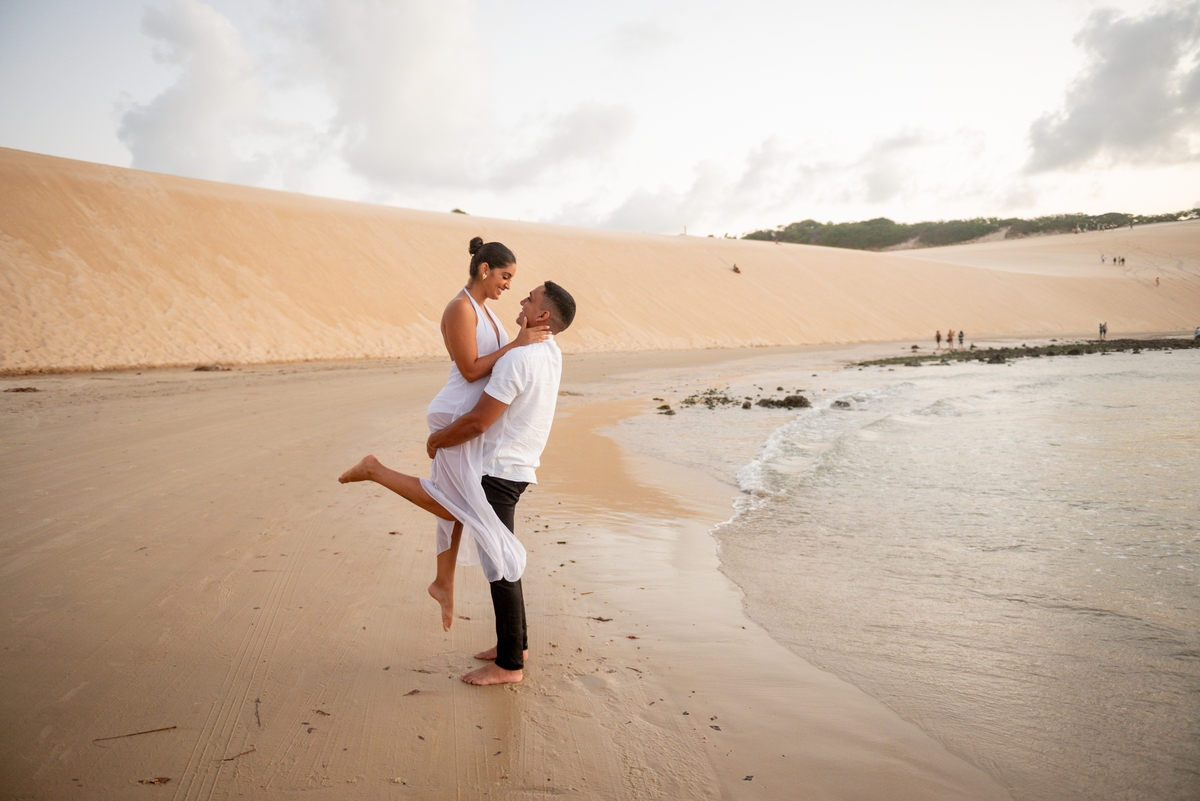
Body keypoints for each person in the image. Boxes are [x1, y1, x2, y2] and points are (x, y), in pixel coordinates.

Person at [342, 282, 577, 686]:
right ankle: (516, 645)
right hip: (517, 466)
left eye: (530, 298)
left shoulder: (519, 359)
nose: (522, 300)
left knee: (498, 562)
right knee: (499, 551)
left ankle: (509, 666)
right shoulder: (550, 353)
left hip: (499, 469)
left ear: (542, 316)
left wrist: (438, 439)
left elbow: (478, 422)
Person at [342, 237, 548, 633]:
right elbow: (470, 370)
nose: (508, 285)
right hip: (455, 413)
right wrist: (517, 344)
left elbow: (497, 363)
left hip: (467, 414)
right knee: (455, 504)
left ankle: (443, 582)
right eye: (505, 276)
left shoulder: (485, 312)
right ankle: (374, 470)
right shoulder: (460, 308)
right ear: (484, 269)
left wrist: (520, 338)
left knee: (456, 496)